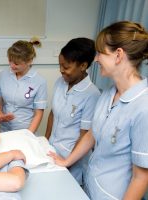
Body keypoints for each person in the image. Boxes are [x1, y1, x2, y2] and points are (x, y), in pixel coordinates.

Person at [49, 21, 148, 200]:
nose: (95, 59)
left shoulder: (143, 106)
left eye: (101, 53)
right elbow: (92, 133)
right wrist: (66, 161)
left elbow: (141, 177)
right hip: (90, 186)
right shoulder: (108, 94)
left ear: (118, 55)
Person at [45, 38, 100, 185]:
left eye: (66, 67)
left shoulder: (92, 94)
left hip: (71, 158)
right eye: (60, 65)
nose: (61, 70)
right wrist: (45, 141)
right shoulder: (60, 82)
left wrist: (67, 162)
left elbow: (85, 135)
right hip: (52, 150)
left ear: (83, 66)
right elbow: (53, 113)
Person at [0, 40, 47, 134]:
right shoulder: (3, 75)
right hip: (5, 129)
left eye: (16, 63)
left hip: (25, 130)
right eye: (10, 61)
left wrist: (28, 135)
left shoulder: (39, 82)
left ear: (29, 61)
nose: (11, 65)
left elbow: (38, 114)